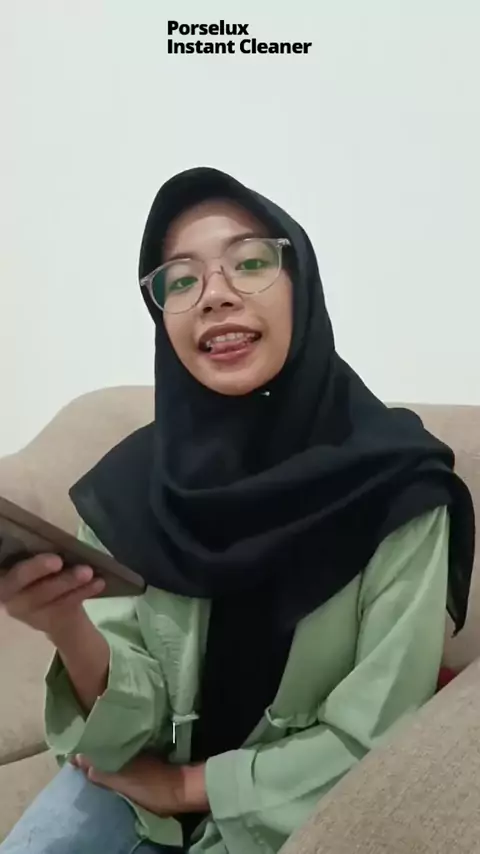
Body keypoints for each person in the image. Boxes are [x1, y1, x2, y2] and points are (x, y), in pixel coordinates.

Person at [0, 167, 475, 854]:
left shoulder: (400, 490)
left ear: (301, 285)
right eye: (181, 279)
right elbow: (131, 734)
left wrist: (189, 787)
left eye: (250, 263)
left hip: (286, 810)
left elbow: (376, 733)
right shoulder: (130, 489)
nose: (215, 295)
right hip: (133, 796)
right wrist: (66, 626)